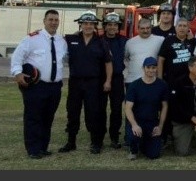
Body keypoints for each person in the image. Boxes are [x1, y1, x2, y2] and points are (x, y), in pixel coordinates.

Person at [10, 9, 68, 159]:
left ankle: (43, 147)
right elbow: (17, 57)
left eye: (56, 20)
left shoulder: (62, 42)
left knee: (48, 118)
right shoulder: (32, 39)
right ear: (44, 21)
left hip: (55, 87)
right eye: (50, 19)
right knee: (33, 117)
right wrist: (17, 73)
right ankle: (33, 149)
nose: (53, 22)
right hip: (36, 86)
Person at [59, 11, 113, 155]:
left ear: (95, 26)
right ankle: (71, 142)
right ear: (80, 25)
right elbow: (54, 43)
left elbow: (108, 63)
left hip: (94, 83)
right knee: (72, 112)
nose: (88, 26)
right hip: (75, 82)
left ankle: (95, 143)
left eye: (91, 24)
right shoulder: (70, 39)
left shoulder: (102, 42)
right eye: (85, 23)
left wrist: (108, 81)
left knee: (93, 113)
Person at [123, 18, 164, 148]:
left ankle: (152, 135)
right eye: (142, 28)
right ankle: (129, 138)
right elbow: (126, 58)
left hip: (152, 81)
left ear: (151, 28)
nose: (145, 31)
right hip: (132, 80)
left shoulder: (160, 40)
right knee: (130, 109)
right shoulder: (130, 43)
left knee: (151, 110)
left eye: (148, 28)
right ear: (137, 29)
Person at [124, 57, 170, 160]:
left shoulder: (162, 85)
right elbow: (127, 108)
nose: (151, 70)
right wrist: (134, 125)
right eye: (148, 67)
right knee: (134, 136)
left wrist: (160, 126)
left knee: (153, 155)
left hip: (152, 121)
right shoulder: (134, 85)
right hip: (137, 121)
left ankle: (144, 143)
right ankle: (133, 149)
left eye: (153, 67)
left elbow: (165, 106)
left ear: (156, 68)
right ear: (143, 68)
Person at [101, 12, 128, 149]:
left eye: (115, 25)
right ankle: (99, 136)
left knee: (116, 110)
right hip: (100, 79)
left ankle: (114, 137)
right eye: (109, 25)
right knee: (99, 109)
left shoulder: (124, 41)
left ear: (118, 27)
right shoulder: (98, 40)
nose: (112, 27)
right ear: (104, 26)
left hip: (117, 78)